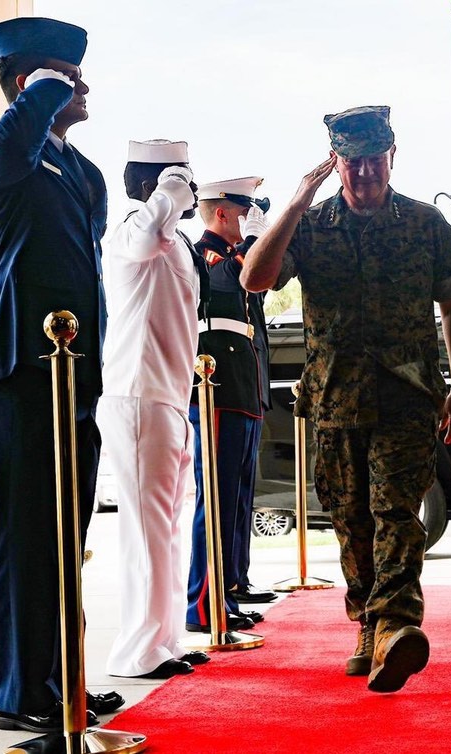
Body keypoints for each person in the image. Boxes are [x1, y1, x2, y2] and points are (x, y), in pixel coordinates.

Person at [240, 105, 451, 693]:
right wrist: (293, 205)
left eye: (375, 160)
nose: (364, 173)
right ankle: (368, 625)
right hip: (334, 397)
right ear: (333, 162)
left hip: (408, 396)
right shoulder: (312, 226)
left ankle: (397, 624)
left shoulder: (425, 224)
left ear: (393, 156)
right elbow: (254, 279)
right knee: (351, 520)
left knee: (396, 511)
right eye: (351, 162)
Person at [0, 16, 122, 732]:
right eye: (67, 74)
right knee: (30, 530)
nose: (83, 83)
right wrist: (38, 96)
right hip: (19, 363)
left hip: (73, 369)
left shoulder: (79, 170)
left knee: (67, 531)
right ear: (33, 85)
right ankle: (24, 694)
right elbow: (4, 156)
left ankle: (65, 677)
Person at [100, 139, 212, 679]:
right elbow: (148, 233)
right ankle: (136, 650)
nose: (191, 189)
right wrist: (169, 188)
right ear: (154, 185)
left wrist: (172, 191)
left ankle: (162, 639)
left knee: (169, 527)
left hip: (169, 397)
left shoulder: (175, 244)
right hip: (138, 394)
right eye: (181, 179)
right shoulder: (129, 233)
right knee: (146, 529)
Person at [185, 176, 276, 634]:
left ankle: (232, 584)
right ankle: (203, 604)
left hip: (243, 385)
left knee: (238, 496)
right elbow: (226, 280)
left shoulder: (239, 254)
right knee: (216, 498)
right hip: (216, 385)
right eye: (246, 210)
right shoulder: (204, 253)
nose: (251, 218)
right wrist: (256, 240)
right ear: (222, 212)